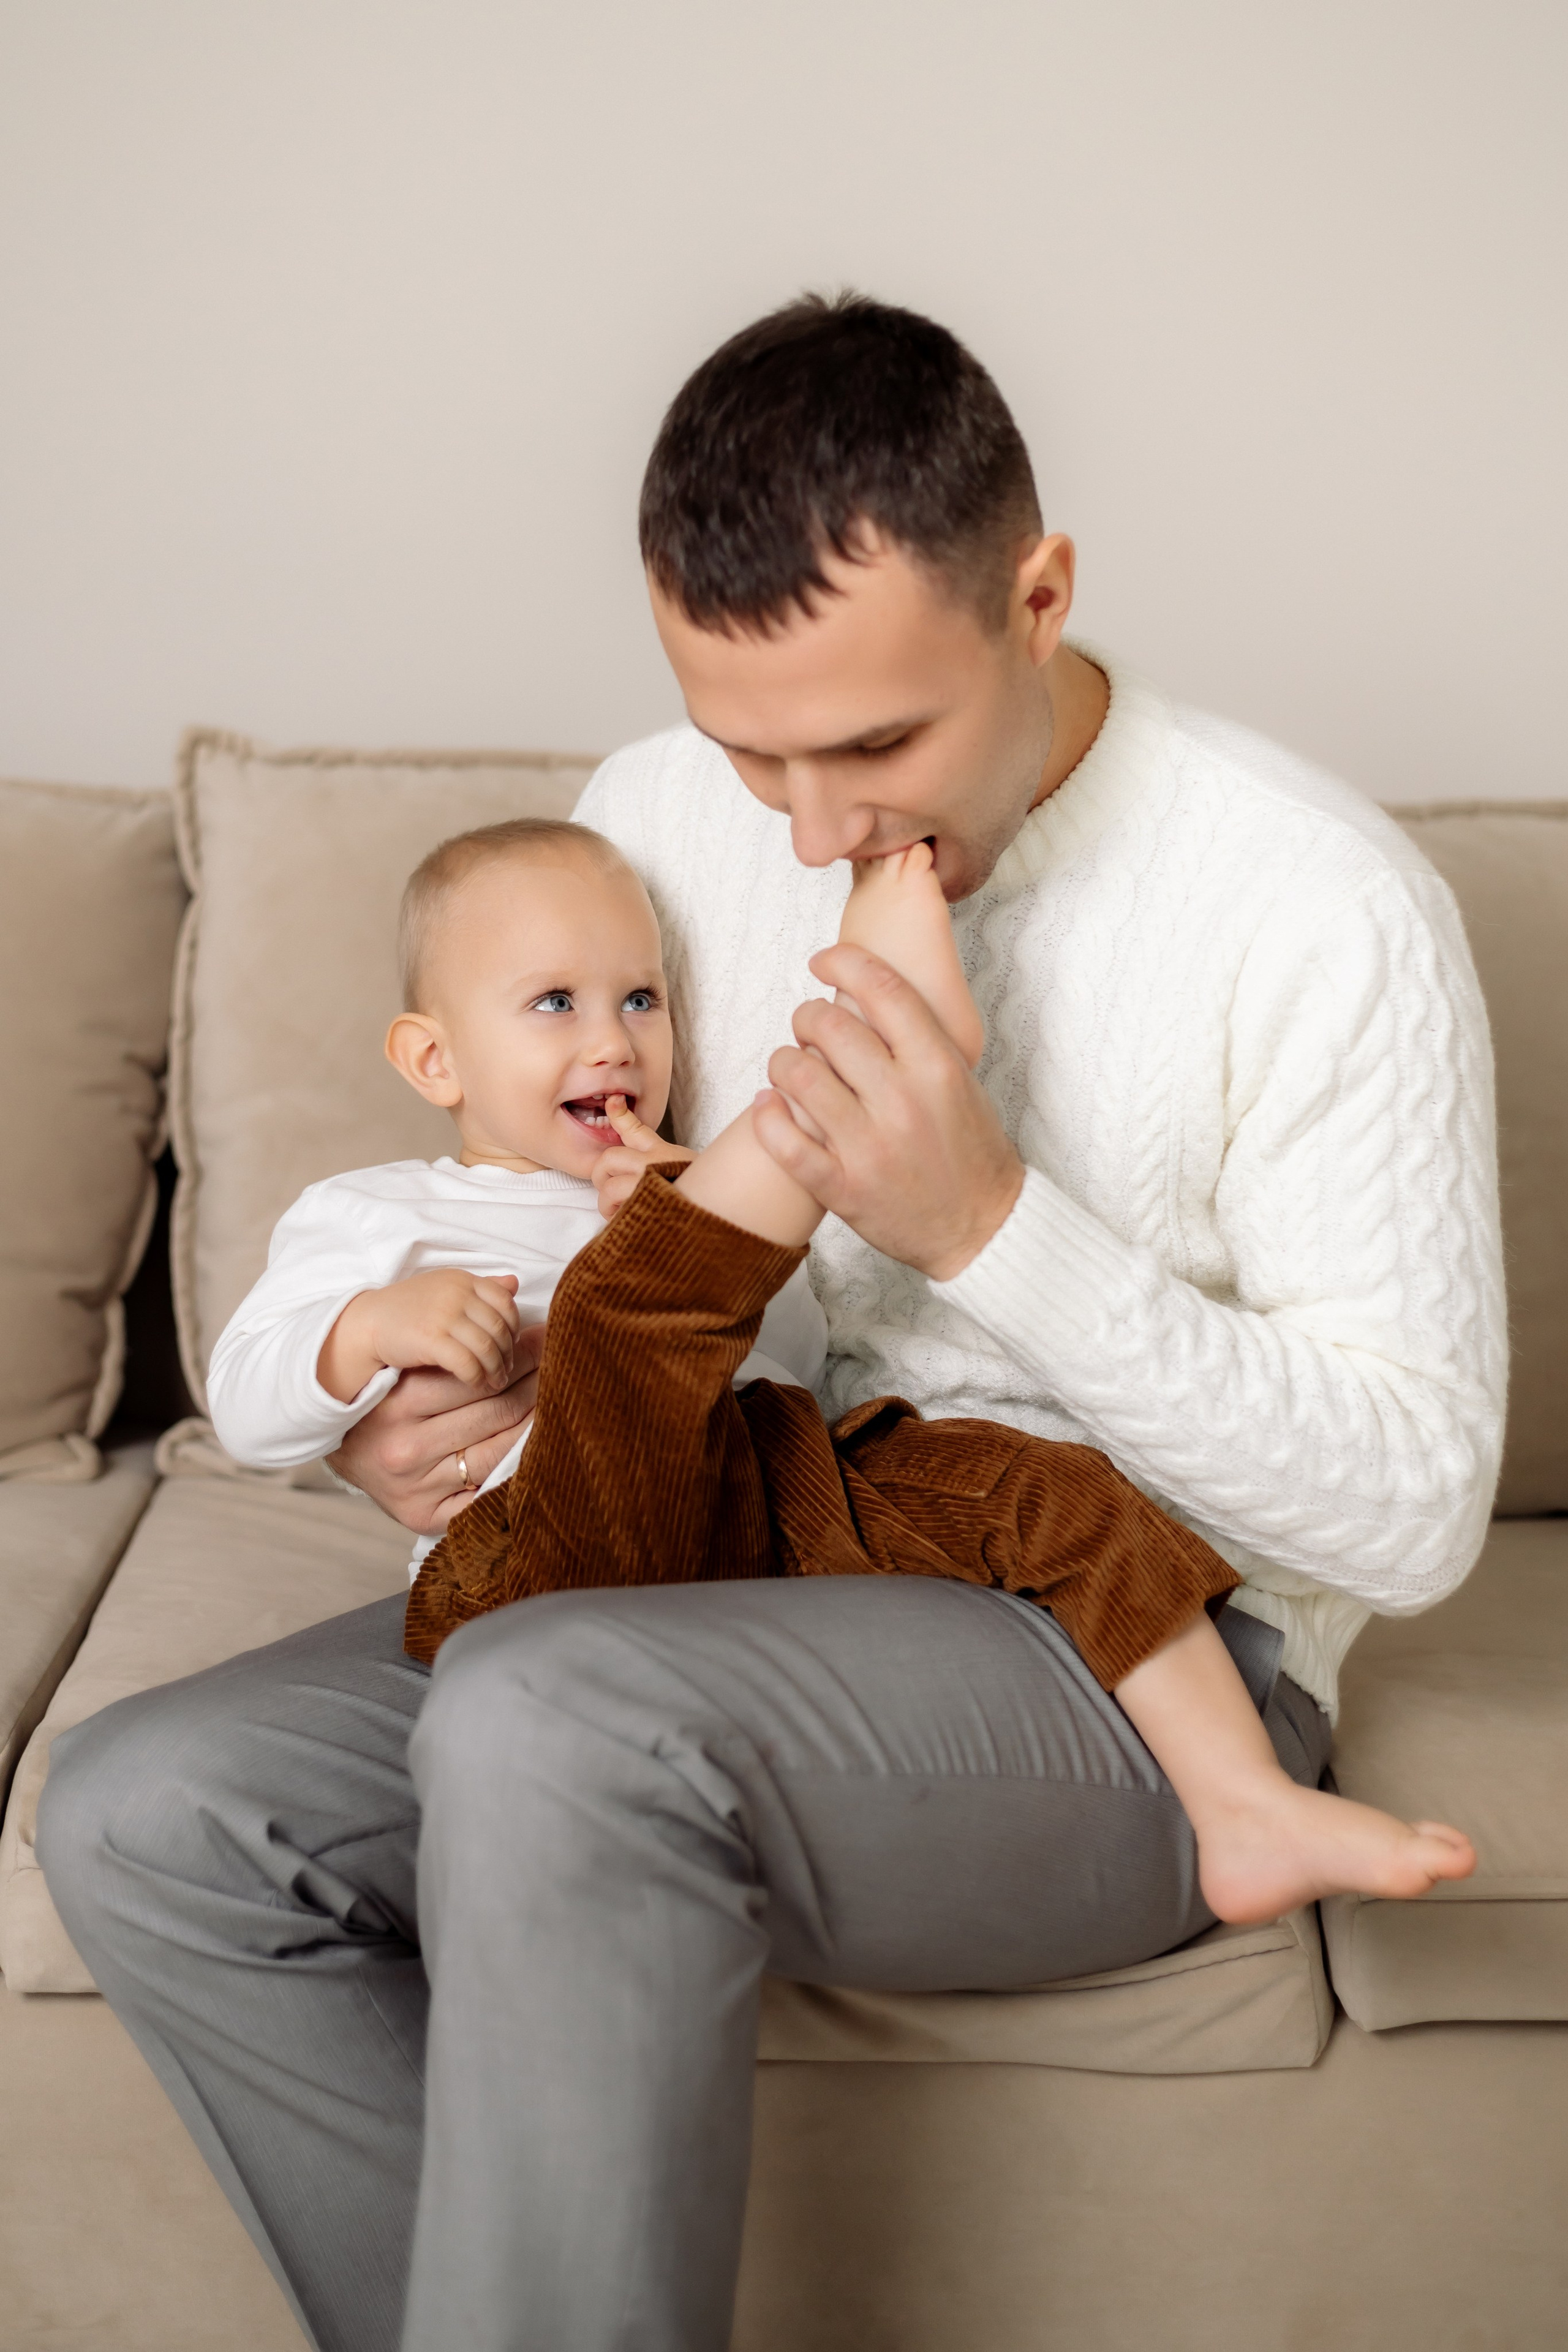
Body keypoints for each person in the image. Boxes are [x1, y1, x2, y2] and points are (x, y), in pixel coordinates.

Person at [37, 293, 1506, 2352]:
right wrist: (420, 1404)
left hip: (1123, 1655)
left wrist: (990, 1224)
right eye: (753, 752)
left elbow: (1419, 1512)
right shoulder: (650, 802)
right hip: (708, 1543)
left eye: (877, 745)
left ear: (1040, 594)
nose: (808, 833)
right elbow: (587, 1233)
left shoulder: (1317, 906)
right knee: (149, 1810)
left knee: (552, 1713)